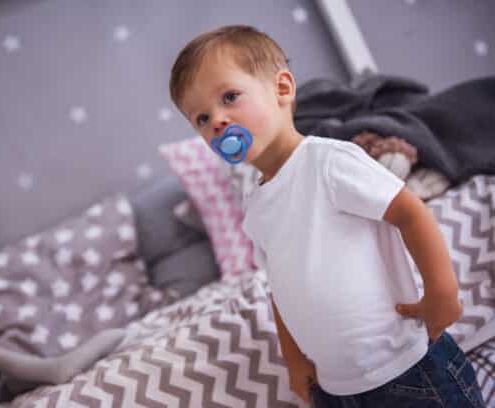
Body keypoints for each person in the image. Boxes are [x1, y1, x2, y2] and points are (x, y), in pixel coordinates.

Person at [168, 25, 485, 407]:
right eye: (201, 118)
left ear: (282, 89)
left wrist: (441, 292)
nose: (217, 120)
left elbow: (410, 213)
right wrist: (294, 358)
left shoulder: (327, 162)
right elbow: (280, 289)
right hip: (338, 389)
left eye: (230, 97)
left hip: (408, 369)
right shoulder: (256, 208)